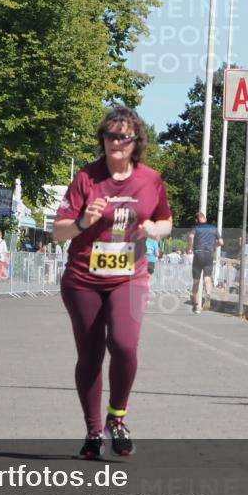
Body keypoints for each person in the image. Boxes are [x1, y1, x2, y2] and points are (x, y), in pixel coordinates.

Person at [53, 106, 173, 459]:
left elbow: (165, 220)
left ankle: (116, 419)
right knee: (89, 356)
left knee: (123, 345)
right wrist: (81, 221)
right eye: (110, 135)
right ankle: (93, 432)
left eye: (123, 136)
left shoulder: (151, 180)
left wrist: (155, 230)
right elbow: (57, 231)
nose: (116, 142)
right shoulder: (86, 178)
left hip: (129, 277)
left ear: (136, 142)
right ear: (102, 140)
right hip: (83, 279)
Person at [187, 212, 222, 313]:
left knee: (196, 281)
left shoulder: (196, 228)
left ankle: (196, 305)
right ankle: (208, 295)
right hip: (209, 255)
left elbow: (190, 236)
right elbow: (221, 242)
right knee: (207, 278)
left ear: (197, 220)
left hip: (198, 254)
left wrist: (189, 248)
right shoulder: (214, 229)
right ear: (205, 218)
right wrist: (213, 247)